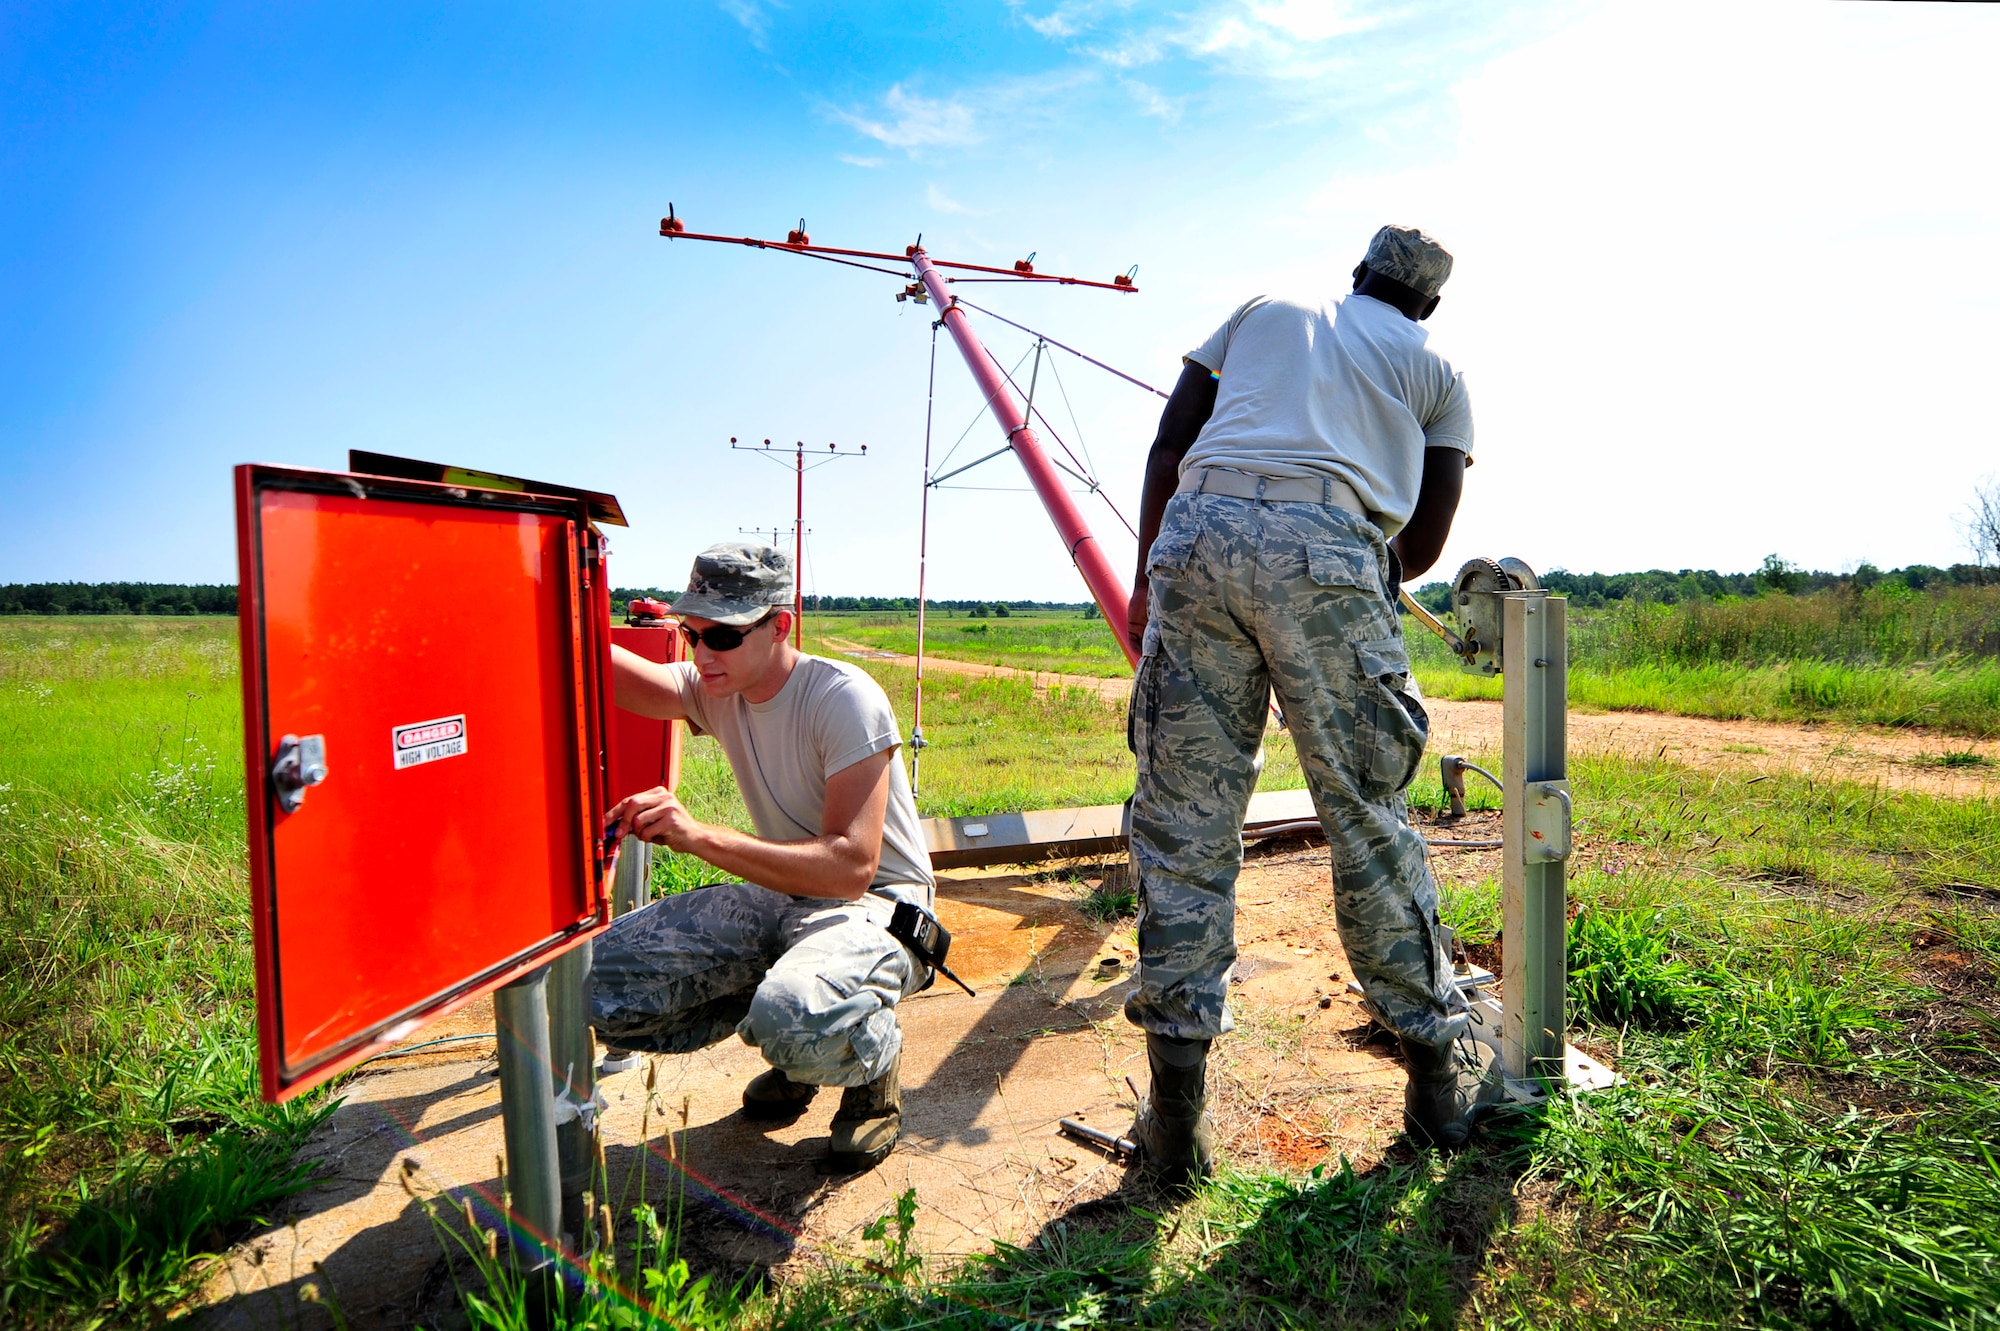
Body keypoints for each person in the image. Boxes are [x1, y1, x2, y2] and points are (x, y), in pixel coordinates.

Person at [1121, 224, 1490, 1193]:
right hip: (1331, 545)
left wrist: (1143, 585)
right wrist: (1321, 611)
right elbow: (1420, 547)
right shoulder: (1438, 370)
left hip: (1194, 534)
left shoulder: (1262, 309)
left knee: (1183, 825)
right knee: (1364, 818)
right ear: (1428, 305)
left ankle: (1174, 1130)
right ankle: (1435, 1084)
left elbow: (1170, 444)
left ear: (1357, 274)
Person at [593, 541, 934, 1171]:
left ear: (780, 624)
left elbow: (849, 867)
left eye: (722, 634)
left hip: (878, 904)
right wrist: (542, 606)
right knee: (602, 985)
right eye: (690, 633)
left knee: (792, 1014)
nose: (701, 652)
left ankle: (865, 1064)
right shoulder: (718, 684)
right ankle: (801, 1039)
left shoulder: (843, 698)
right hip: (786, 895)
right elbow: (618, 676)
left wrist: (698, 835)